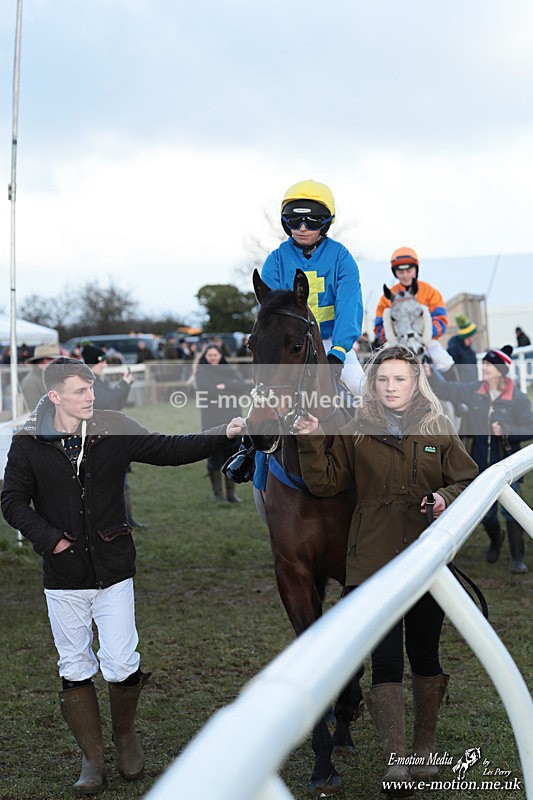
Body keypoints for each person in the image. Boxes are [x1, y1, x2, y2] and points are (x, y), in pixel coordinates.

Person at [1, 357, 245, 796]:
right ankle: (92, 759)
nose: (90, 396)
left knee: (120, 661)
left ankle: (126, 736)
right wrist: (51, 539)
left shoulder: (112, 425)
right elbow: (13, 502)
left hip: (114, 567)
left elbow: (169, 449)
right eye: (79, 391)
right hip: (63, 574)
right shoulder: (28, 441)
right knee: (73, 665)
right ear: (55, 395)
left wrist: (220, 435)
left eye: (91, 388)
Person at [294, 344, 478, 795]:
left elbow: (468, 478)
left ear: (416, 382)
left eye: (400, 379)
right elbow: (325, 482)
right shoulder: (356, 430)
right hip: (372, 560)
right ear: (372, 385)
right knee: (386, 660)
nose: (391, 386)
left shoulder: (437, 426)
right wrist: (313, 439)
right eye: (382, 379)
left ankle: (424, 746)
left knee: (425, 653)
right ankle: (397, 756)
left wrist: (443, 499)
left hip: (427, 556)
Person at [426, 345, 533, 573]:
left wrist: (507, 429)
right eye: (483, 363)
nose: (483, 367)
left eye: (488, 364)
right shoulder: (474, 389)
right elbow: (446, 390)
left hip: (507, 465)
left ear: (500, 370)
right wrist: (429, 372)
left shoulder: (518, 398)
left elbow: (530, 427)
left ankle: (518, 559)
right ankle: (496, 540)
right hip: (479, 465)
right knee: (486, 514)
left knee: (512, 512)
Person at [260, 178, 364, 395]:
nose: (303, 228)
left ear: (325, 223)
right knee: (262, 398)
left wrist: (339, 350)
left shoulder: (341, 257)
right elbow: (270, 313)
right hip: (290, 344)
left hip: (330, 342)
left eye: (312, 222)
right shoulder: (275, 260)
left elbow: (349, 306)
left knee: (363, 390)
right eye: (294, 221)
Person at [81, 344, 146, 528]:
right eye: (101, 361)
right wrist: (124, 383)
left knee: (121, 481)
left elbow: (116, 404)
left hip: (110, 435)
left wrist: (126, 384)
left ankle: (126, 520)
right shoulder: (90, 382)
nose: (105, 364)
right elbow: (107, 401)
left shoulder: (101, 380)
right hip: (98, 438)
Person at [374, 247, 452, 371]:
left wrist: (422, 336)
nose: (405, 275)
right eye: (400, 272)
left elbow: (441, 320)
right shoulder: (387, 297)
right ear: (395, 273)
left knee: (445, 363)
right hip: (398, 343)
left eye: (409, 270)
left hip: (427, 342)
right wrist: (395, 337)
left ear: (416, 270)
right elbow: (379, 326)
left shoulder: (430, 292)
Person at [195, 344, 243, 503]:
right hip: (212, 421)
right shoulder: (202, 372)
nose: (213, 358)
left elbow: (241, 386)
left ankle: (231, 495)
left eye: (215, 355)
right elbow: (207, 390)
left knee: (232, 455)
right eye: (210, 355)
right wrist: (227, 388)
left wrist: (225, 386)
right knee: (214, 458)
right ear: (205, 357)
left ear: (220, 355)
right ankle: (218, 496)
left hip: (232, 418)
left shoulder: (229, 369)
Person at [20, 343, 61, 411]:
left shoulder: (48, 378)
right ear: (45, 360)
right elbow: (34, 412)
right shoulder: (30, 382)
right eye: (56, 361)